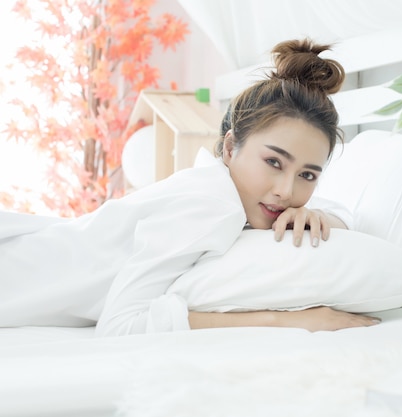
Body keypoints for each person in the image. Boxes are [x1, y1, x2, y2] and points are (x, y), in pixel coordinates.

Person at [0, 39, 381, 336]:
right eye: (274, 162)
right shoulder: (210, 204)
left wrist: (319, 213)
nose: (286, 191)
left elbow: (348, 215)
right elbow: (122, 325)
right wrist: (287, 320)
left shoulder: (218, 187)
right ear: (231, 147)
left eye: (307, 175)